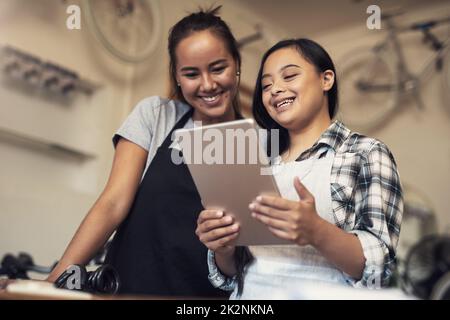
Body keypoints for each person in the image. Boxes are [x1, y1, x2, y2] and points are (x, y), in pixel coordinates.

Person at [46, 6, 242, 297]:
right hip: (127, 287)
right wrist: (55, 281)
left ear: (237, 64)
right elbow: (113, 203)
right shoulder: (156, 115)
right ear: (176, 76)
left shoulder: (260, 143)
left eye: (218, 68)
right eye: (191, 73)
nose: (208, 84)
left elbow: (248, 252)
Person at [196, 38, 404, 299]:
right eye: (266, 85)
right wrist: (223, 247)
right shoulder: (258, 163)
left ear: (326, 79)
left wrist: (316, 231)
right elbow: (235, 272)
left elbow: (379, 269)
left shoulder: (366, 153)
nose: (276, 90)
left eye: (290, 76)